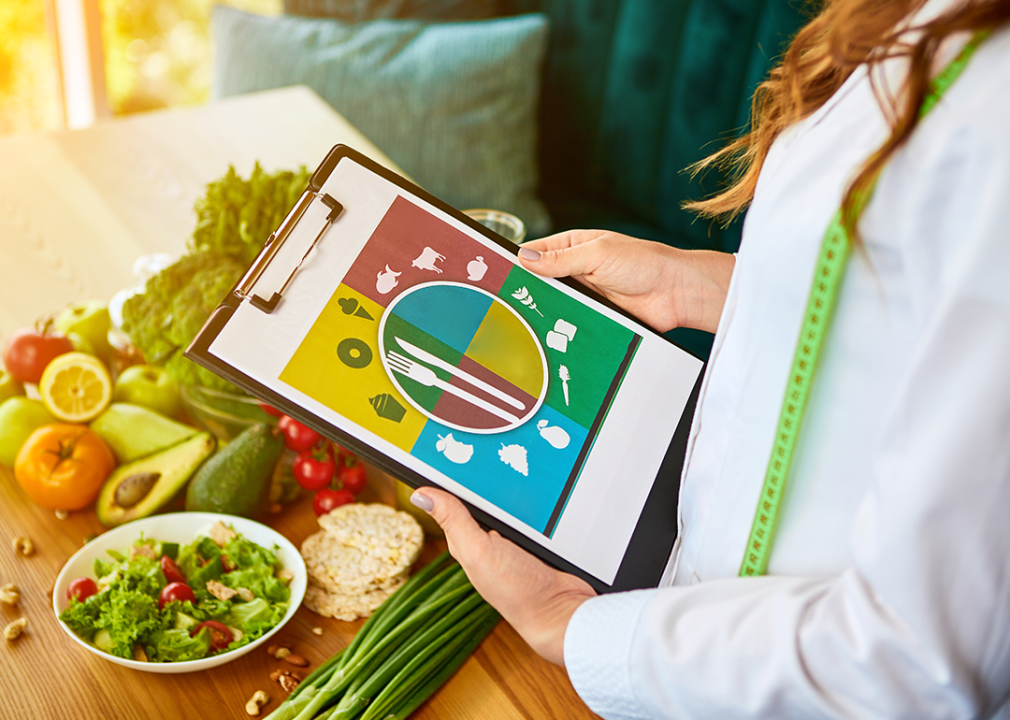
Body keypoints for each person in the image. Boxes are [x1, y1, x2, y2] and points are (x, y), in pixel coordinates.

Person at [409, 0, 1010, 718]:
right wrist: (701, 284)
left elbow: (917, 661)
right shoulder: (917, 22)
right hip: (710, 628)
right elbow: (897, 320)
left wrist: (572, 627)